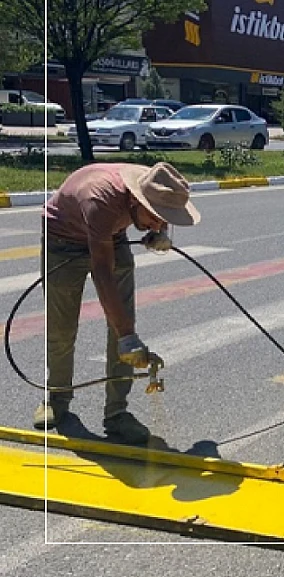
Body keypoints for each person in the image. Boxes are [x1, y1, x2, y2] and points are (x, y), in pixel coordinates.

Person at [38, 162, 200, 444]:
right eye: (156, 218)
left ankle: (117, 414)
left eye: (165, 220)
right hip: (63, 238)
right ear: (137, 200)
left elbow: (154, 213)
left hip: (111, 234)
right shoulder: (99, 198)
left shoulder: (156, 181)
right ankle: (57, 399)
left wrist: (157, 232)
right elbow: (102, 272)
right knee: (63, 328)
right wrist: (125, 332)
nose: (161, 223)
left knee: (125, 325)